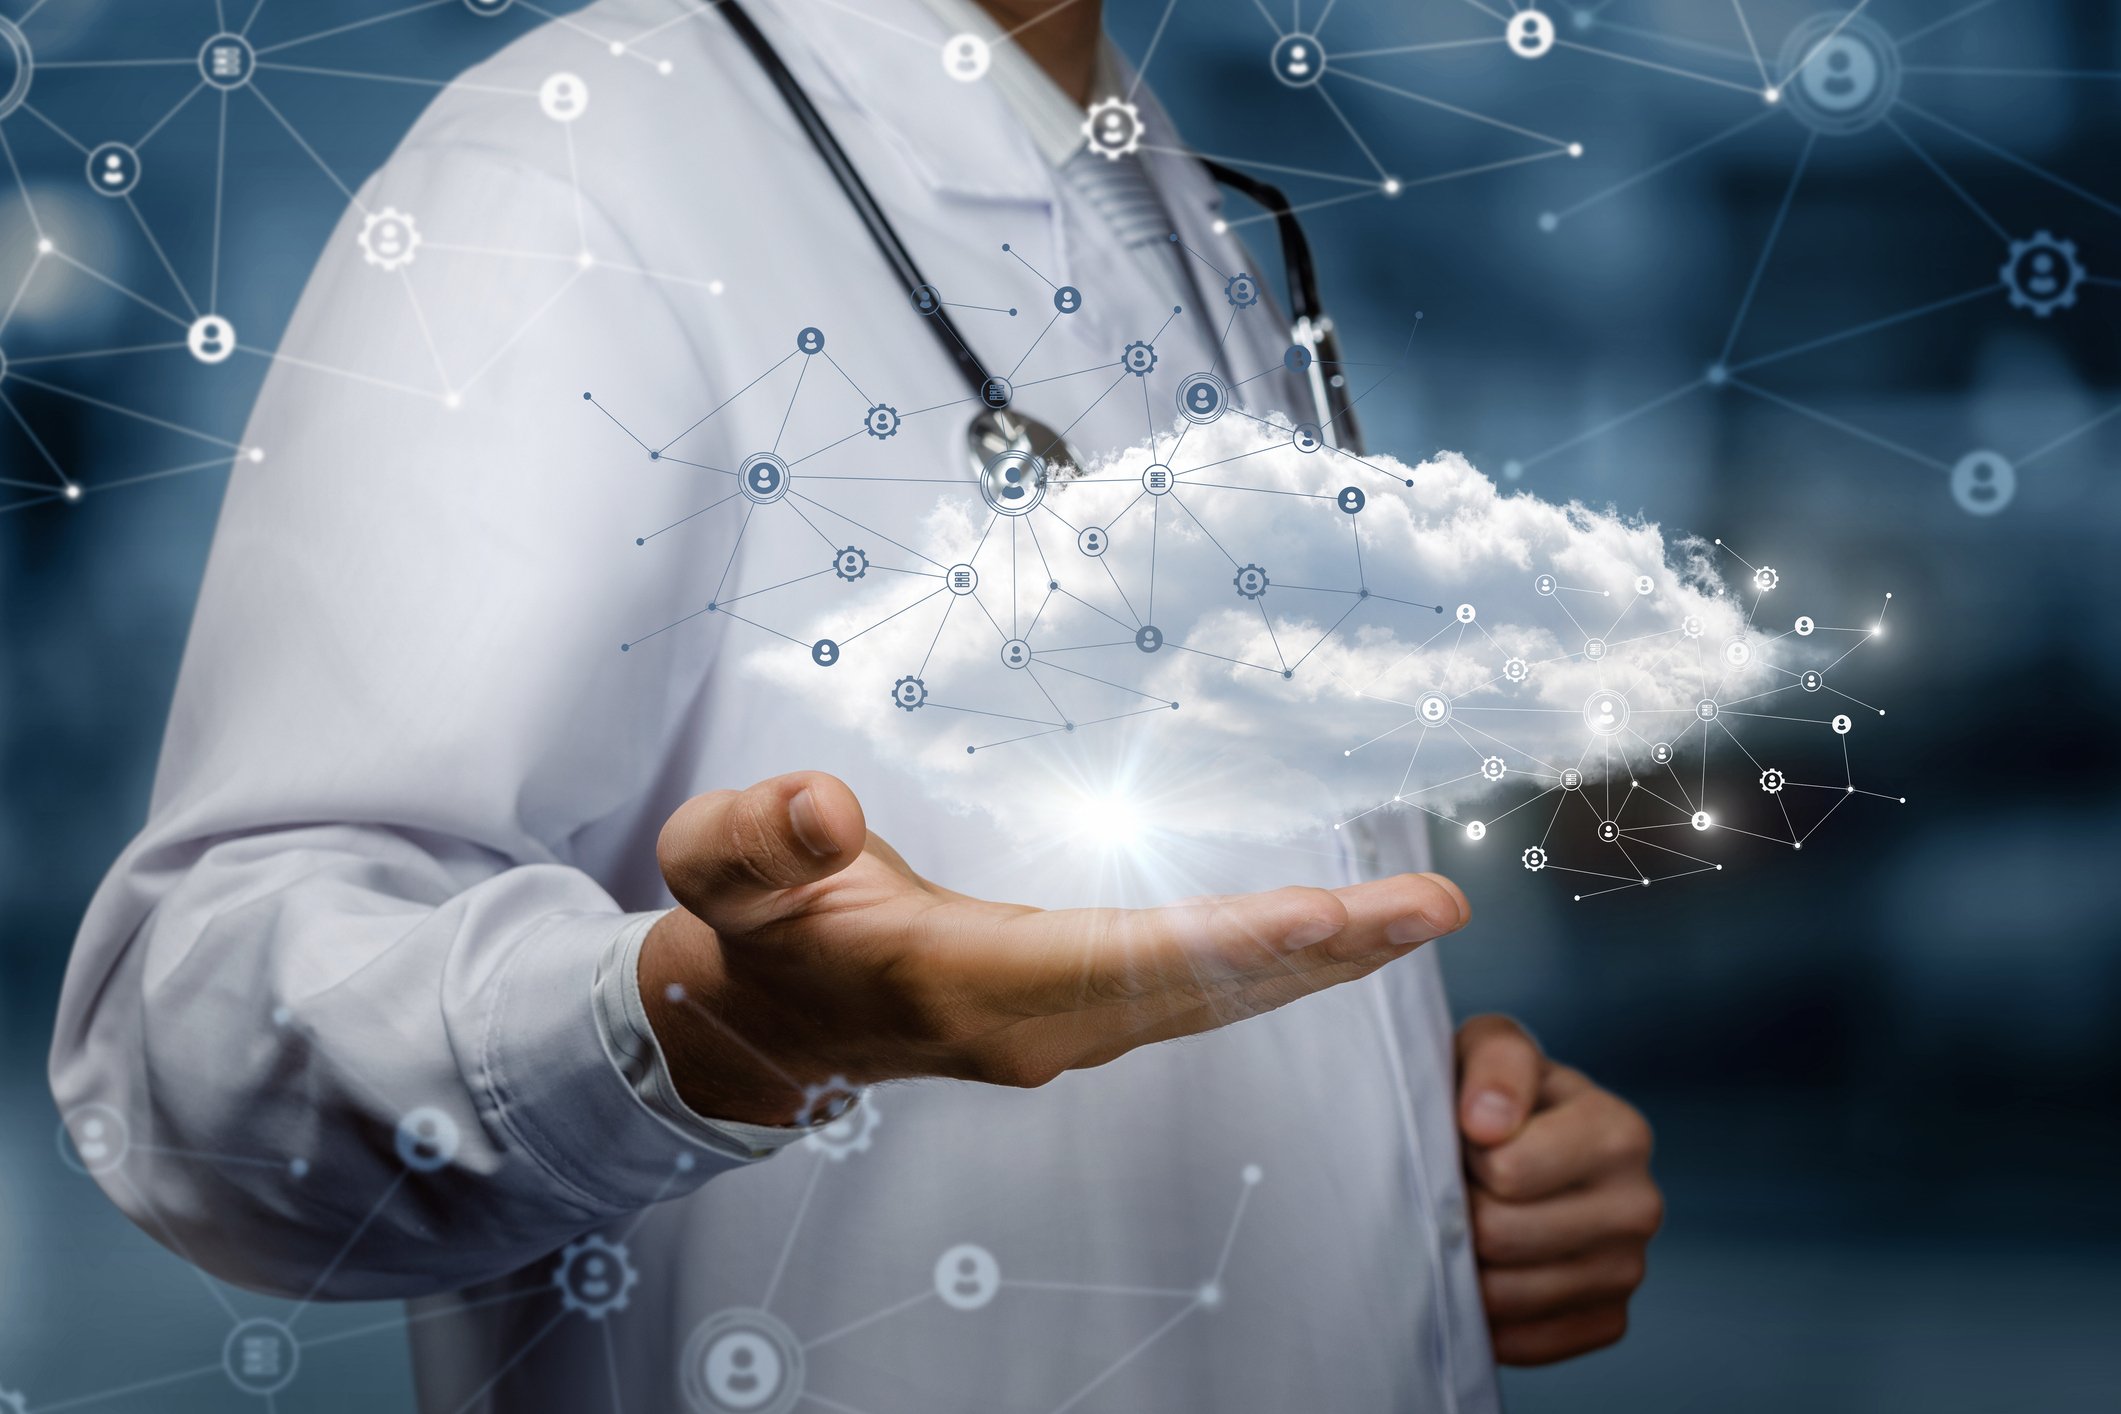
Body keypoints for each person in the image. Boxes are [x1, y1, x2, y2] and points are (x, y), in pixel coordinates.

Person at [50, 1, 1660, 1409]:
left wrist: (1433, 1169)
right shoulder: (562, 177)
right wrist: (718, 1028)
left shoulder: (1170, 207)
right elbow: (196, 1056)